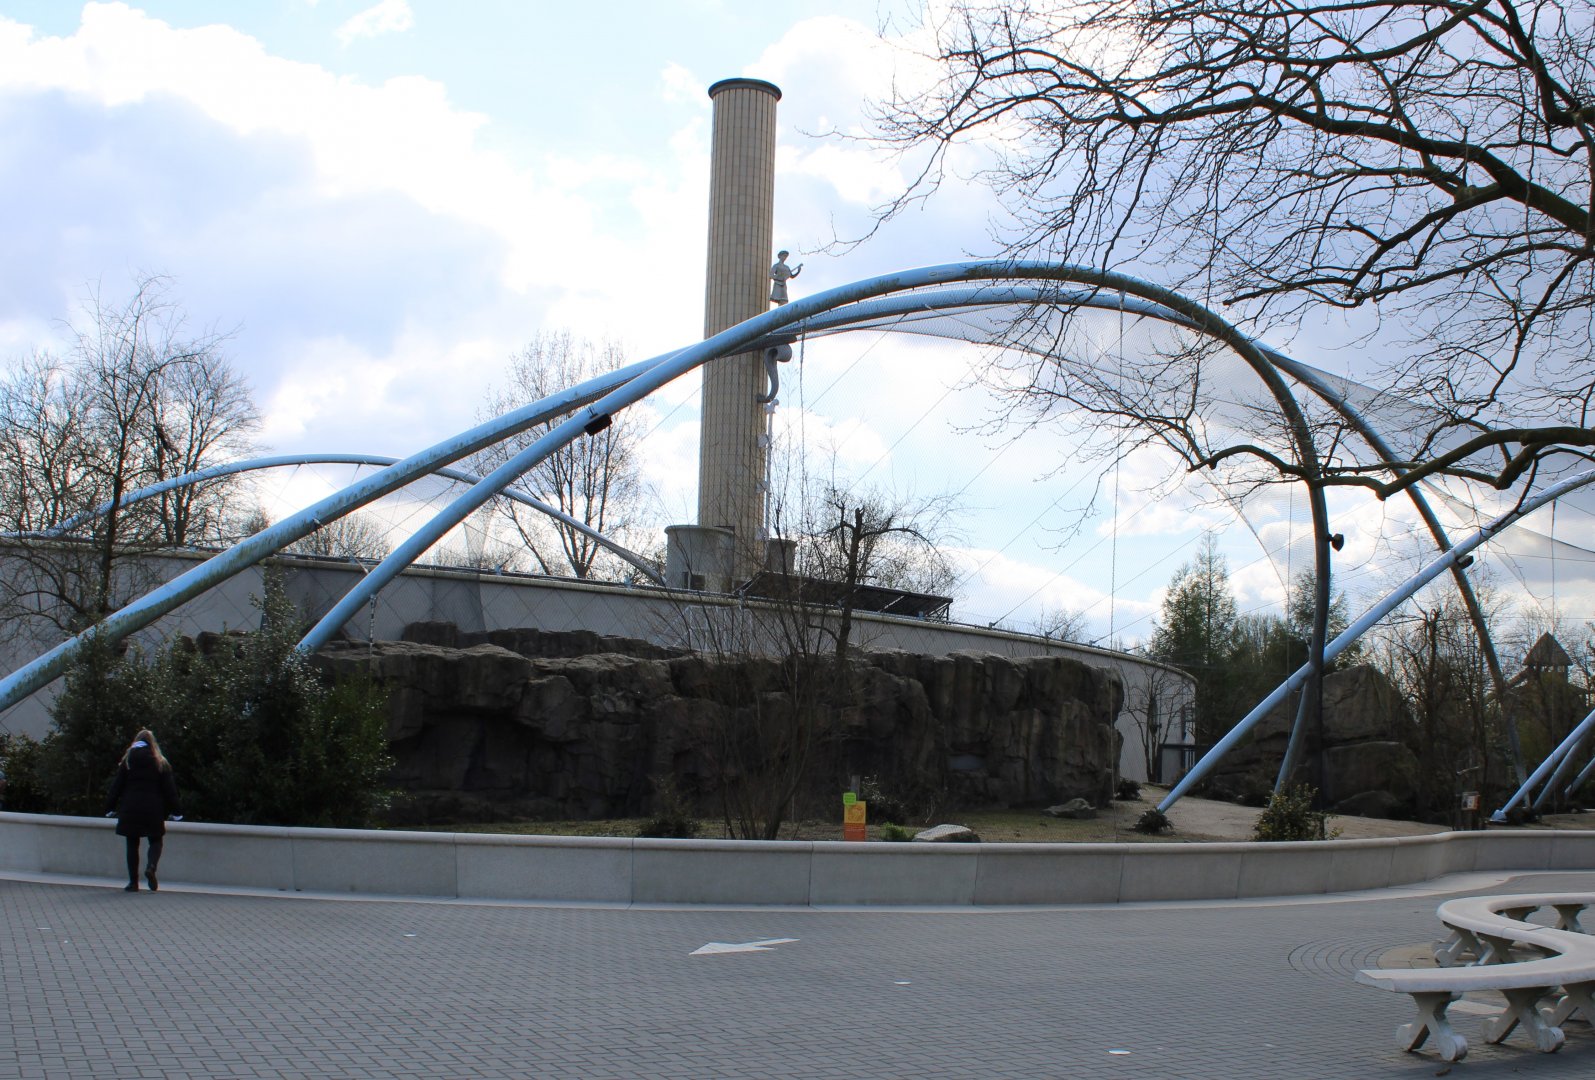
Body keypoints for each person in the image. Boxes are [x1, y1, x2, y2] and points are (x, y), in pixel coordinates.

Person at [105, 729, 181, 892]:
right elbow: (170, 790)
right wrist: (177, 812)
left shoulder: (128, 760)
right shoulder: (161, 762)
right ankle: (151, 867)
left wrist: (109, 808)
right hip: (153, 808)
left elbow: (116, 786)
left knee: (132, 843)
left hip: (130, 807)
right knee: (156, 839)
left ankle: (133, 883)